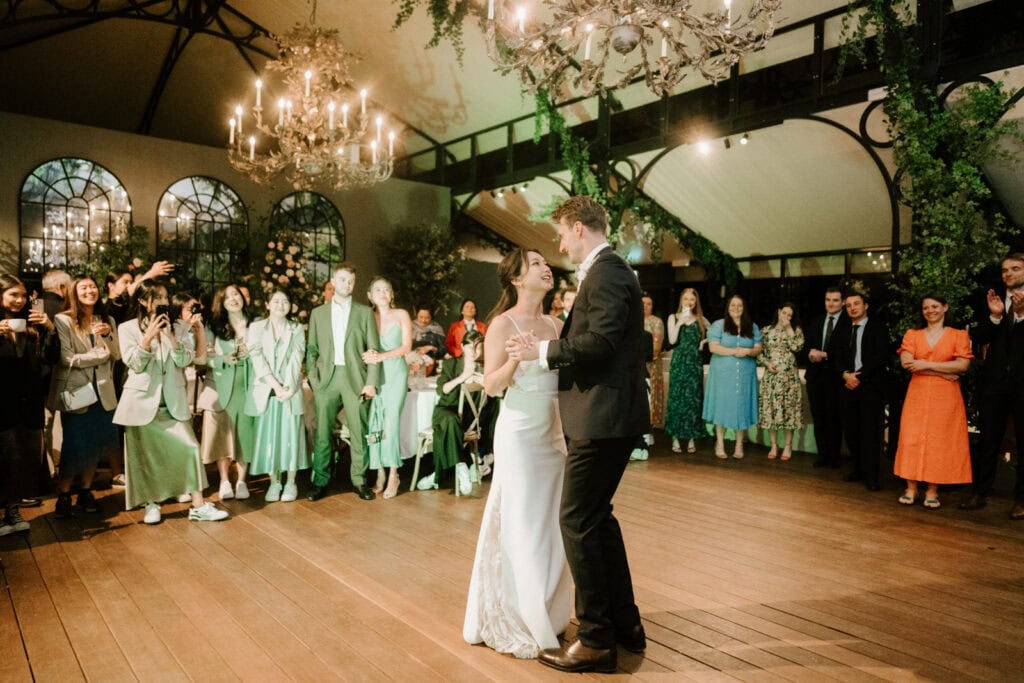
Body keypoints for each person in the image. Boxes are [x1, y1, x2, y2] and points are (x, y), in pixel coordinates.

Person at [509, 196, 649, 673]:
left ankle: (595, 638)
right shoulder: (609, 271)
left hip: (603, 416)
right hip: (607, 414)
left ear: (578, 227)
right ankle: (625, 622)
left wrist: (544, 353)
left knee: (576, 520)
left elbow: (603, 341)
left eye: (562, 233)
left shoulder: (607, 271)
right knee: (597, 518)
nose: (560, 242)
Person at [464, 248, 571, 659]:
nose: (546, 268)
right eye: (537, 264)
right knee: (523, 523)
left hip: (554, 437)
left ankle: (549, 609)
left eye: (547, 263)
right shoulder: (500, 325)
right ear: (516, 278)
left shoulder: (557, 323)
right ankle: (526, 617)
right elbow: (491, 386)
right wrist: (513, 360)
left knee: (550, 525)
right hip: (520, 436)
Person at [112, 280, 228, 524]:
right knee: (145, 457)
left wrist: (171, 338)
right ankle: (151, 504)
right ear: (143, 301)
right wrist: (148, 337)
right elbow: (133, 362)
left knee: (190, 448)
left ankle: (198, 505)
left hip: (173, 404)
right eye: (157, 297)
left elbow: (186, 360)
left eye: (165, 296)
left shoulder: (177, 327)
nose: (164, 301)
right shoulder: (127, 328)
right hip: (141, 403)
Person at [306, 262, 381, 502]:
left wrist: (371, 382)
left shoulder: (364, 313)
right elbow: (312, 350)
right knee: (323, 434)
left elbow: (373, 350)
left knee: (359, 431)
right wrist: (314, 379)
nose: (346, 284)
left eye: (350, 281)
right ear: (333, 282)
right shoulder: (318, 314)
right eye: (342, 280)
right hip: (326, 380)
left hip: (355, 379)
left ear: (354, 284)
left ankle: (359, 481)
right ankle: (320, 481)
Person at [48, 275, 121, 517]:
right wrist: (99, 355)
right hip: (78, 393)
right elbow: (68, 359)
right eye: (84, 287)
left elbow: (117, 355)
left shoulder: (106, 319)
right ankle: (64, 495)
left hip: (103, 393)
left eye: (92, 286)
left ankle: (86, 492)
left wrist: (109, 335)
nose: (90, 290)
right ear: (74, 293)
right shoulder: (63, 320)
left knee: (96, 445)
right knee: (75, 446)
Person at [893, 295, 973, 509]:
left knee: (940, 441)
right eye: (926, 307)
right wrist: (944, 370)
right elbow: (907, 363)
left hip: (946, 397)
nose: (930, 311)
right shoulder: (913, 334)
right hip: (917, 394)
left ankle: (932, 490)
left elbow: (963, 366)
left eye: (935, 306)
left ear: (945, 307)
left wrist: (925, 365)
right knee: (912, 437)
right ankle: (910, 488)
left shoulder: (959, 335)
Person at [960, 253, 1024, 518]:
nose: (1008, 273)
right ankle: (980, 492)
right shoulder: (995, 301)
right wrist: (996, 317)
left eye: (1015, 268)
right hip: (995, 383)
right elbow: (979, 337)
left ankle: (1021, 500)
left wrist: (1021, 316)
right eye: (1004, 270)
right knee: (988, 440)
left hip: (1023, 384)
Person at [0, 274, 57, 536]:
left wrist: (50, 328)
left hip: (28, 404)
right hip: (2, 405)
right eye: (13, 294)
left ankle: (12, 511)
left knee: (20, 459)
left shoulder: (32, 327)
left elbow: (51, 359)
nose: (20, 300)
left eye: (23, 295)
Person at [247, 289, 309, 503]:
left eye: (285, 301)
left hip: (289, 390)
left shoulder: (297, 328)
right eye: (276, 301)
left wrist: (289, 388)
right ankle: (274, 482)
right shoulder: (256, 328)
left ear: (291, 306)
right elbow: (256, 357)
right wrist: (274, 385)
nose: (280, 305)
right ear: (267, 304)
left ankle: (291, 481)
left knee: (291, 437)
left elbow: (297, 357)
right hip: (267, 389)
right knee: (269, 438)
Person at [200, 284, 256, 501]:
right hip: (220, 385)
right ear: (221, 303)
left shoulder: (257, 324)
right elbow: (203, 357)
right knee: (223, 433)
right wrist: (222, 359)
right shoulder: (213, 326)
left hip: (247, 384)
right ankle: (224, 480)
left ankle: (242, 480)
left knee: (246, 432)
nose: (233, 299)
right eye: (227, 297)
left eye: (236, 295)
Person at [832, 291, 891, 492]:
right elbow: (834, 357)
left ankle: (872, 475)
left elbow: (881, 357)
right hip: (847, 387)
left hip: (870, 388)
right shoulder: (841, 330)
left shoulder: (878, 328)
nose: (852, 308)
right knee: (852, 431)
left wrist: (859, 376)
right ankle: (857, 469)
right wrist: (845, 375)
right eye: (848, 305)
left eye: (856, 304)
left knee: (870, 433)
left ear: (865, 306)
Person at [363, 277, 412, 499]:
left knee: (391, 421)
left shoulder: (401, 314)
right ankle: (379, 471)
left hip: (395, 372)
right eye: (378, 290)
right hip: (375, 374)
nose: (383, 293)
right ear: (370, 295)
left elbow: (406, 346)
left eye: (387, 289)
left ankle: (394, 473)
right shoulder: (367, 317)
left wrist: (382, 356)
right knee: (376, 420)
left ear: (391, 295)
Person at [418, 329, 484, 493]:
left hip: (469, 419)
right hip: (445, 411)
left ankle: (436, 476)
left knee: (447, 430)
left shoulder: (484, 369)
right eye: (470, 347)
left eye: (478, 348)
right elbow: (442, 390)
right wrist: (464, 377)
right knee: (450, 421)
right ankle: (461, 466)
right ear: (462, 346)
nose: (474, 352)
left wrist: (483, 380)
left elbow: (494, 394)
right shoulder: (451, 364)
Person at [703, 295, 762, 459]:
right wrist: (735, 352)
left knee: (740, 407)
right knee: (721, 406)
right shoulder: (718, 325)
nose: (736, 308)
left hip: (744, 374)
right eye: (733, 305)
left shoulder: (752, 326)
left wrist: (748, 351)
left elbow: (758, 348)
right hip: (722, 374)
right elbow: (713, 347)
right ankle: (720, 443)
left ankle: (739, 444)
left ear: (744, 308)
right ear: (728, 307)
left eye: (740, 305)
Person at [757, 303, 805, 460]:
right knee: (771, 410)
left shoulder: (795, 330)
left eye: (790, 315)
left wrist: (789, 327)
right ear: (778, 312)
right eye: (784, 313)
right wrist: (767, 363)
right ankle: (773, 445)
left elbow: (797, 347)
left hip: (789, 378)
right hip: (771, 377)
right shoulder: (765, 330)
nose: (786, 316)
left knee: (788, 411)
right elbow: (758, 353)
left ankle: (788, 446)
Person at [805, 287, 846, 468]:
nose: (831, 303)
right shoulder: (816, 321)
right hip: (815, 377)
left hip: (835, 378)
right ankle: (822, 455)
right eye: (828, 299)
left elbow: (846, 351)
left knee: (834, 419)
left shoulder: (848, 322)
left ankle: (834, 458)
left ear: (843, 302)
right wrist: (810, 353)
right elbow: (805, 346)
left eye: (835, 300)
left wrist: (826, 355)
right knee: (819, 418)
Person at [664, 288, 709, 454]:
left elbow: (713, 334)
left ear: (696, 302)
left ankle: (691, 438)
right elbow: (672, 339)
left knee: (693, 400)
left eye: (692, 299)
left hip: (694, 363)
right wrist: (680, 322)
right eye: (686, 299)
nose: (689, 302)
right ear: (681, 301)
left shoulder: (701, 319)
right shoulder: (672, 317)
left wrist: (702, 343)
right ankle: (675, 437)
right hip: (679, 361)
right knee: (677, 398)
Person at [642, 294, 665, 437]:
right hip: (635, 366)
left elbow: (656, 347)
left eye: (649, 303)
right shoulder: (631, 321)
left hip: (652, 366)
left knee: (651, 398)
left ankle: (649, 433)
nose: (645, 306)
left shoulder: (656, 322)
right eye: (642, 303)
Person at [408, 303, 446, 375]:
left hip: (430, 368)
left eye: (427, 317)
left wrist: (431, 348)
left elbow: (443, 350)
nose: (423, 320)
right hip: (411, 365)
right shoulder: (409, 326)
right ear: (416, 314)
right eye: (421, 317)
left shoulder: (437, 328)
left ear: (432, 316)